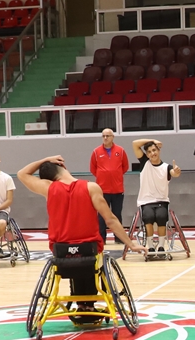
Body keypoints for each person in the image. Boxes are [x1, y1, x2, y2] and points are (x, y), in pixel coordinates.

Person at [17, 155, 142, 298]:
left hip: (61, 251)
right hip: (89, 249)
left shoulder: (49, 188)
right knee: (91, 258)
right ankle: (88, 303)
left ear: (48, 179)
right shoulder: (91, 187)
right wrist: (131, 244)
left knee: (73, 259)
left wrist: (44, 159)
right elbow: (111, 220)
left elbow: (22, 174)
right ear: (63, 167)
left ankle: (81, 302)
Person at [131, 139, 182, 254]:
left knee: (161, 217)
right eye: (149, 152)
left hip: (161, 201)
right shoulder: (145, 163)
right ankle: (150, 246)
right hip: (146, 201)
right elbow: (135, 144)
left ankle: (161, 246)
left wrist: (176, 172)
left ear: (158, 150)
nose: (152, 153)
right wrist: (153, 140)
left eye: (154, 150)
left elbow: (174, 173)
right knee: (148, 217)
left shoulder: (166, 167)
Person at [89, 128, 129, 244]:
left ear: (113, 137)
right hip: (102, 190)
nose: (105, 138)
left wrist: (115, 175)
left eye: (107, 136)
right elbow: (93, 169)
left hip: (117, 189)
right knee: (101, 216)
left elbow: (125, 167)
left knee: (117, 214)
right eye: (103, 136)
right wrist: (103, 176)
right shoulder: (96, 152)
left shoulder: (120, 151)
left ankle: (119, 238)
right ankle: (102, 239)